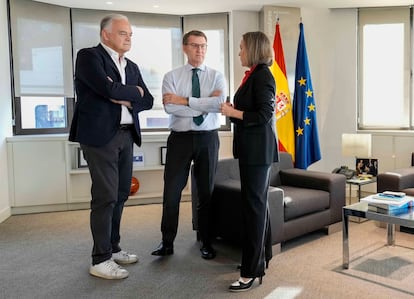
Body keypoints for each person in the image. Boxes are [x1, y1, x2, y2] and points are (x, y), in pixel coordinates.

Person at [69, 14, 154, 280]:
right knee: (105, 196)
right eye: (122, 33)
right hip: (100, 137)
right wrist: (131, 93)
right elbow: (108, 90)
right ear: (105, 34)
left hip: (126, 135)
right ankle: (100, 259)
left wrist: (127, 96)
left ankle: (113, 247)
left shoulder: (131, 65)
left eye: (130, 34)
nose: (128, 38)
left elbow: (148, 99)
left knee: (120, 194)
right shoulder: (89, 57)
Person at [151, 30, 227, 260]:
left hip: (208, 138)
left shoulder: (217, 76)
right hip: (180, 139)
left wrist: (183, 100)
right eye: (195, 46)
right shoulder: (171, 76)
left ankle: (206, 242)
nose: (200, 50)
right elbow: (170, 108)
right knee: (171, 192)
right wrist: (205, 103)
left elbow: (218, 105)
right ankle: (167, 242)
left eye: (203, 46)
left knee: (206, 193)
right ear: (185, 48)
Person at [220, 31, 278, 292]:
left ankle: (250, 272)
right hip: (252, 150)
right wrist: (234, 111)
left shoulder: (263, 75)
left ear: (253, 49)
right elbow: (251, 112)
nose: (239, 52)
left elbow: (265, 114)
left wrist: (233, 112)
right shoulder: (254, 74)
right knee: (258, 206)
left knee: (253, 209)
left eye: (242, 47)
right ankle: (261, 258)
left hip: (257, 153)